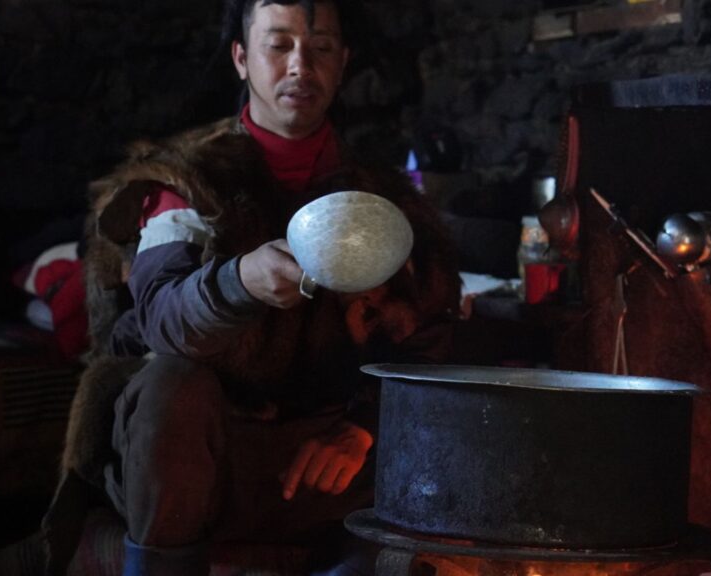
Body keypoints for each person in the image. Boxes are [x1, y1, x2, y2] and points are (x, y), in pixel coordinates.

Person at [39, 1, 461, 575]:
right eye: (278, 44)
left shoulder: (385, 201)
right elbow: (163, 316)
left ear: (342, 64)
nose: (299, 67)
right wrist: (239, 283)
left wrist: (362, 429)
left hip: (324, 461)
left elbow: (432, 340)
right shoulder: (185, 181)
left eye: (320, 49)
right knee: (169, 382)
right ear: (242, 58)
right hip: (203, 454)